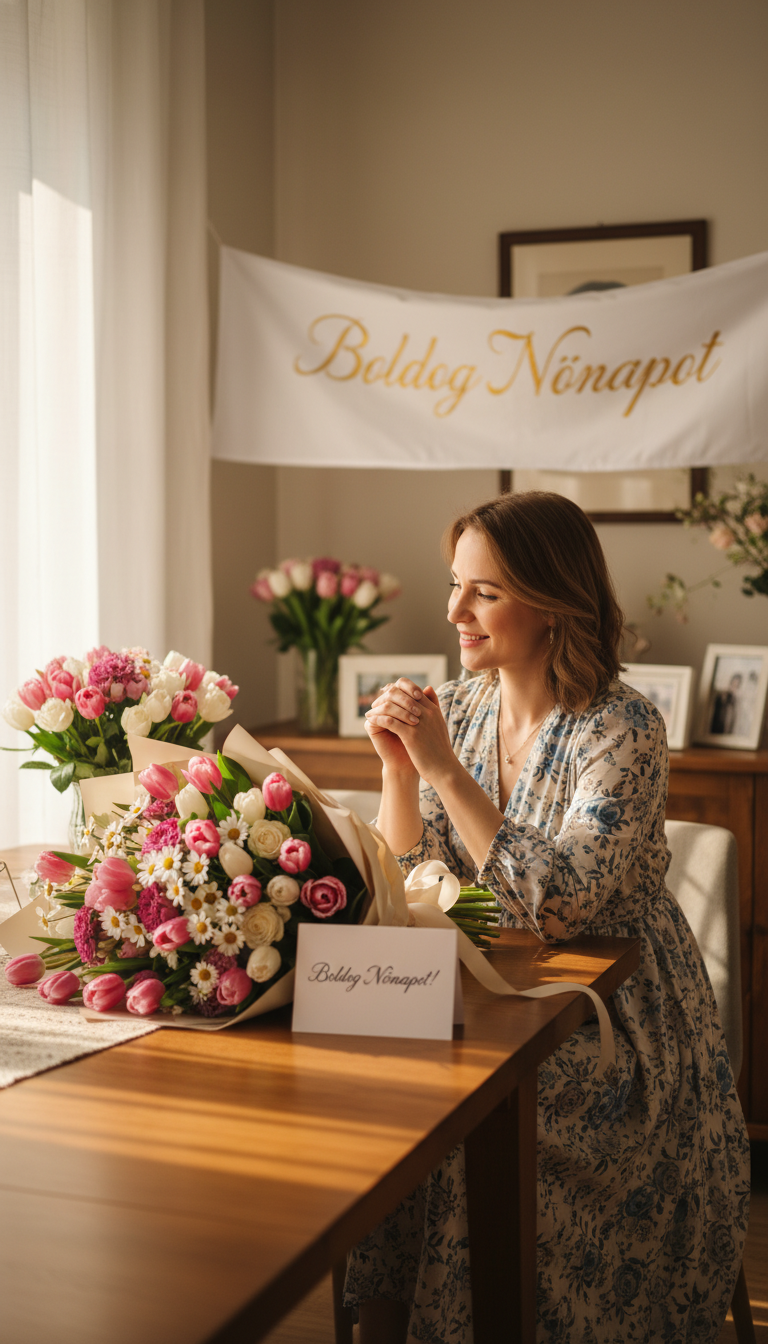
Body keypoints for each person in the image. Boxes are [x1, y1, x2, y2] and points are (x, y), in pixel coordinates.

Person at [343, 491, 750, 1344]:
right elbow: (416, 887)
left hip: (612, 1021)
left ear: (554, 600)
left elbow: (557, 908)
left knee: (464, 1127)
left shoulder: (623, 725)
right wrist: (398, 775)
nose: (455, 611)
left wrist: (446, 773)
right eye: (455, 585)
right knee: (382, 1105)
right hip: (485, 985)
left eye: (484, 592)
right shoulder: (457, 708)